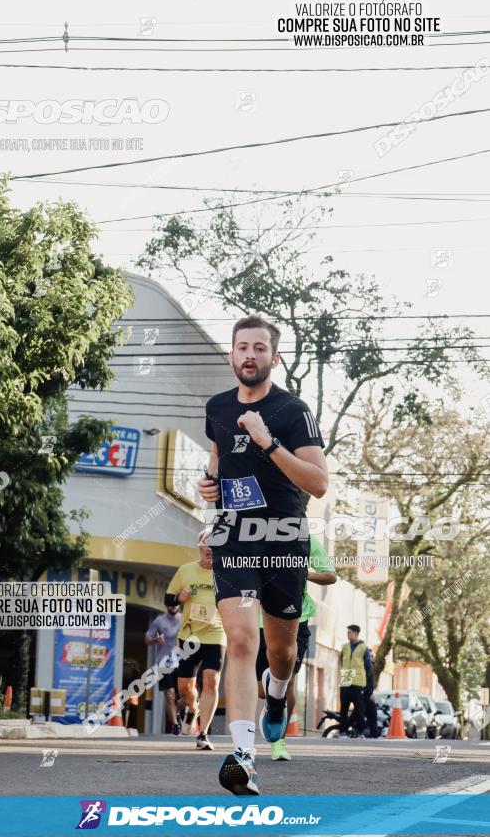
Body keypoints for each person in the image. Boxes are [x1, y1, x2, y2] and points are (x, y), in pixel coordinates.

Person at [198, 314, 328, 795]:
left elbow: (317, 483)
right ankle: (243, 757)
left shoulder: (293, 411)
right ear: (232, 354)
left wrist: (268, 442)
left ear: (274, 358)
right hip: (235, 535)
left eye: (258, 348)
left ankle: (276, 696)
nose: (248, 355)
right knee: (239, 641)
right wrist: (208, 494)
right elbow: (217, 463)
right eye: (241, 347)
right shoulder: (215, 407)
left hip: (284, 534)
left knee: (280, 651)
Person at [256, 533, 336, 760]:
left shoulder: (307, 540)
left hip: (296, 619)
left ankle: (279, 741)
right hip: (261, 620)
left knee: (288, 682)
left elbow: (330, 576)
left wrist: (306, 574)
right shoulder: (256, 534)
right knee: (264, 691)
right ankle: (273, 705)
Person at [164, 531, 226, 751]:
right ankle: (193, 708)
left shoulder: (226, 572)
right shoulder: (186, 570)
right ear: (199, 547)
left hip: (216, 634)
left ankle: (203, 733)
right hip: (189, 636)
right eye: (206, 545)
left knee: (211, 680)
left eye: (215, 545)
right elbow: (168, 598)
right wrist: (179, 598)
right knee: (184, 688)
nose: (210, 549)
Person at [145, 603, 183, 733]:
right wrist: (156, 640)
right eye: (170, 604)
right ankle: (175, 725)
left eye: (175, 604)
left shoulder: (184, 619)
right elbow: (147, 639)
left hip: (182, 661)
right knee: (169, 694)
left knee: (185, 695)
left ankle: (176, 712)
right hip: (164, 662)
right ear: (167, 606)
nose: (173, 607)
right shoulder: (159, 620)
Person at [339, 624, 374, 736]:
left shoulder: (364, 648)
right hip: (346, 680)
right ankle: (343, 731)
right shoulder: (344, 647)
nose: (347, 634)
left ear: (356, 633)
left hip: (358, 682)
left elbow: (369, 667)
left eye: (349, 632)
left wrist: (368, 684)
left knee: (359, 710)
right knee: (343, 709)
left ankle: (360, 732)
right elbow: (341, 661)